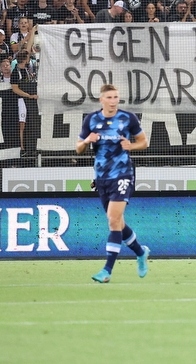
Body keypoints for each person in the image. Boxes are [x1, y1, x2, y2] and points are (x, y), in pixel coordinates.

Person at [75, 84, 151, 283]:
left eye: (116, 96)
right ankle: (141, 252)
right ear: (101, 99)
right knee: (118, 222)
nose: (113, 100)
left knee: (112, 219)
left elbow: (144, 142)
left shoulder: (128, 118)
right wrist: (86, 141)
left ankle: (107, 270)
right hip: (102, 178)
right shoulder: (91, 120)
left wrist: (131, 145)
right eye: (109, 97)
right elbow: (78, 149)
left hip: (123, 174)